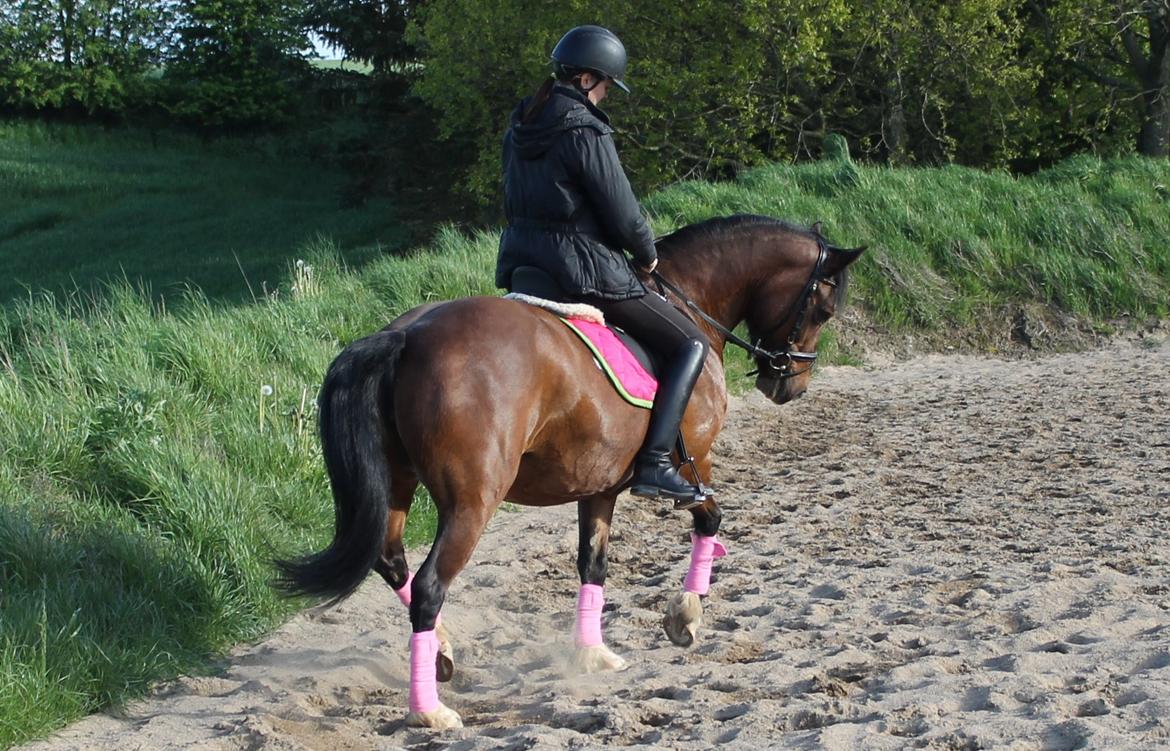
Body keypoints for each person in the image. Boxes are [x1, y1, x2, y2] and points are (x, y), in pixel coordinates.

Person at [496, 25, 710, 510]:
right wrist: (646, 251)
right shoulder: (584, 128)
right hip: (583, 272)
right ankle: (656, 462)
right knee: (690, 341)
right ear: (589, 78)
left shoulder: (520, 125)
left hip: (523, 267)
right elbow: (621, 209)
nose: (608, 93)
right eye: (608, 84)